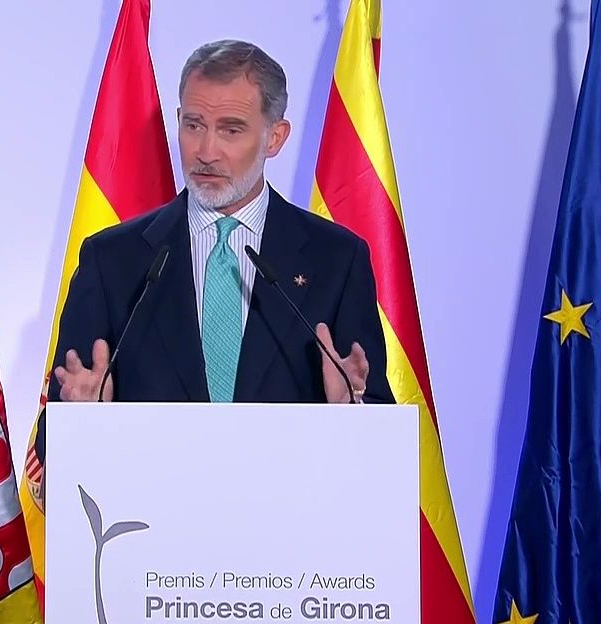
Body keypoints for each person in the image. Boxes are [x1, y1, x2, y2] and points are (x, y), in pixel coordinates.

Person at [47, 39, 392, 405]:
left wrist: (352, 411)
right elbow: (52, 430)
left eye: (231, 130)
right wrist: (81, 418)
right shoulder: (112, 260)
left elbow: (378, 414)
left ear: (274, 138)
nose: (206, 152)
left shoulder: (337, 259)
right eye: (194, 125)